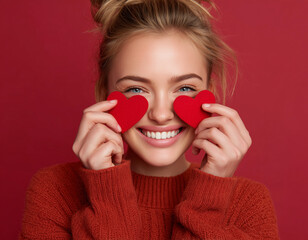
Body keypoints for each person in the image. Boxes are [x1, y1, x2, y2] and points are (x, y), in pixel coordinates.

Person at [19, 0, 280, 239]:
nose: (161, 114)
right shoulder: (55, 192)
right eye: (136, 89)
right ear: (103, 94)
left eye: (185, 88)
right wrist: (108, 194)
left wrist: (208, 200)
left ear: (209, 93)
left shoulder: (249, 205)